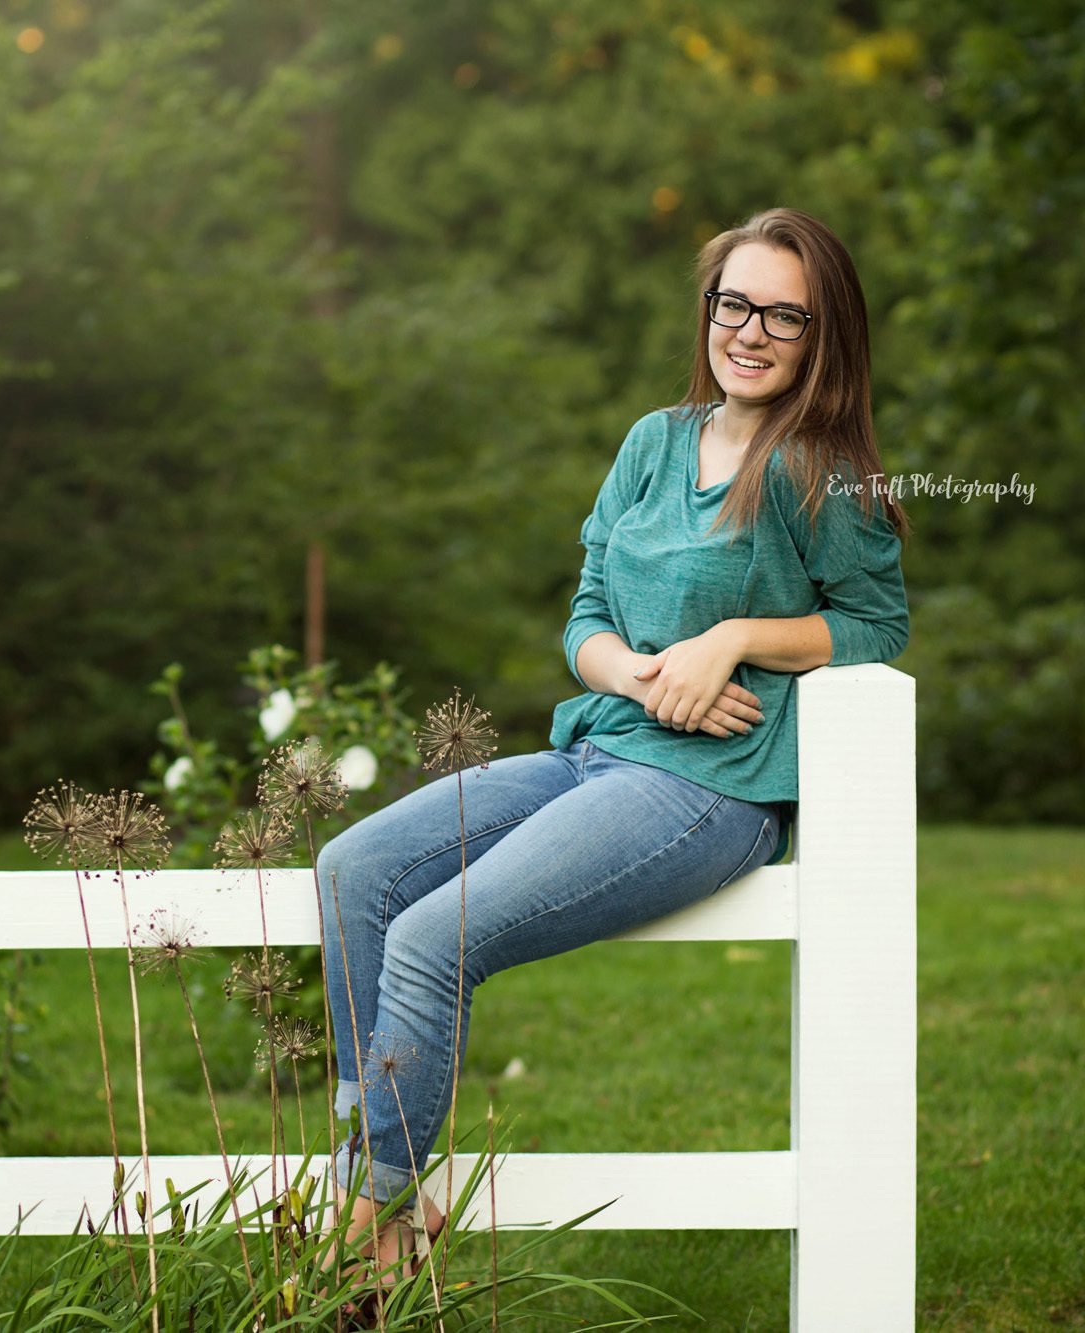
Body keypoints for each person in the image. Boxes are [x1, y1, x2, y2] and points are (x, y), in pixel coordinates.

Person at [316, 206, 911, 1288]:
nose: (751, 330)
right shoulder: (653, 441)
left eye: (786, 315)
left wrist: (728, 638)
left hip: (710, 789)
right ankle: (387, 1212)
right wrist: (642, 673)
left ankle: (360, 1231)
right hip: (599, 746)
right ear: (706, 308)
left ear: (824, 338)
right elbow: (584, 614)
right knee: (353, 870)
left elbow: (874, 623)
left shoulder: (820, 468)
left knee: (432, 939)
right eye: (734, 302)